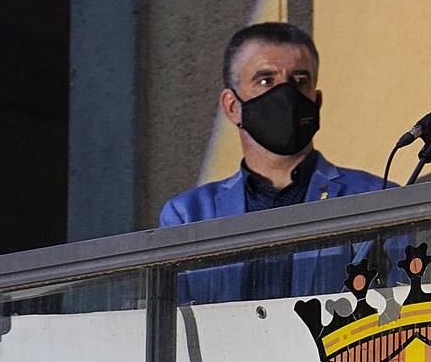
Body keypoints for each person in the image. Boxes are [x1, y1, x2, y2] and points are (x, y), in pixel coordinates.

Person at [158, 22, 387, 302]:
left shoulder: (376, 199)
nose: (285, 95)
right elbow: (173, 328)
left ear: (316, 101)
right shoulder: (188, 216)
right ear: (232, 106)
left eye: (299, 81)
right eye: (265, 81)